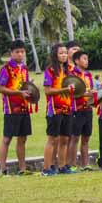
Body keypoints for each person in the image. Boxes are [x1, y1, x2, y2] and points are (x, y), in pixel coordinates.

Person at [0, 40, 34, 176]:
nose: (20, 54)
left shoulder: (24, 68)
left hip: (24, 108)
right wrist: (19, 93)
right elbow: (1, 88)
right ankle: (2, 169)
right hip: (11, 109)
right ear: (11, 53)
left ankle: (22, 168)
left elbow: (25, 86)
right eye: (17, 52)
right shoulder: (6, 69)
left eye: (22, 51)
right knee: (7, 138)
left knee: (22, 138)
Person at [42, 43, 76, 176]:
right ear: (55, 55)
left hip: (67, 108)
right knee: (52, 139)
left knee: (65, 139)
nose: (64, 55)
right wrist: (65, 90)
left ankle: (62, 166)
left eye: (65, 53)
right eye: (61, 53)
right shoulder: (50, 70)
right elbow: (47, 90)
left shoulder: (69, 71)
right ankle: (46, 168)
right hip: (54, 109)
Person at [68, 51, 96, 171]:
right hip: (76, 109)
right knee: (75, 137)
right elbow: (71, 93)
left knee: (86, 137)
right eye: (84, 59)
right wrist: (87, 93)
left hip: (88, 109)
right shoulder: (72, 74)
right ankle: (72, 164)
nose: (87, 61)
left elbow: (92, 92)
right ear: (77, 61)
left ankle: (85, 164)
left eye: (87, 59)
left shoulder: (89, 75)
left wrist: (95, 97)